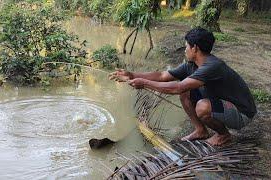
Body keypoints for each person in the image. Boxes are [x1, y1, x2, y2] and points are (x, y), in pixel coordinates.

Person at [109, 27, 257, 146]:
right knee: (186, 93)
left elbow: (177, 87)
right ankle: (200, 130)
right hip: (223, 103)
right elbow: (163, 76)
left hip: (241, 113)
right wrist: (132, 75)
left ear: (195, 48)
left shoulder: (212, 66)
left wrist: (144, 83)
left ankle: (224, 135)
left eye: (186, 46)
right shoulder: (191, 64)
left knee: (202, 107)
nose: (185, 49)